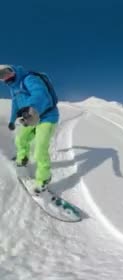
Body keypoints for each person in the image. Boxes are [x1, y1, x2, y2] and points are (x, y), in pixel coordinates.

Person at [0, 65, 59, 193]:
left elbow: (40, 94)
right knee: (20, 139)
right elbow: (15, 105)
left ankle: (44, 178)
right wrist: (11, 120)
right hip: (30, 118)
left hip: (47, 117)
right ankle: (23, 159)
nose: (6, 76)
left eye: (7, 72)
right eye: (1, 76)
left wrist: (31, 108)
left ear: (13, 70)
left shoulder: (29, 79)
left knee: (39, 149)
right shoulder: (14, 89)